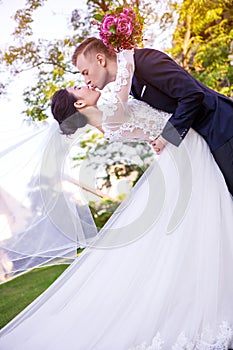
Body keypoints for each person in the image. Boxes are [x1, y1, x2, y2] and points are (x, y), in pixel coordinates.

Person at [0, 50, 233, 350]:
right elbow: (126, 69)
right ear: (80, 104)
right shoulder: (112, 110)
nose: (87, 84)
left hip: (185, 148)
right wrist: (124, 48)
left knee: (204, 226)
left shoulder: (108, 122)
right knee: (206, 224)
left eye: (83, 78)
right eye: (80, 86)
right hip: (185, 150)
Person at [72, 37, 233, 196]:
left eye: (85, 73)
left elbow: (192, 95)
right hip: (205, 141)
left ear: (100, 59)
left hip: (222, 127)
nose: (86, 81)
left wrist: (167, 137)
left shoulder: (146, 61)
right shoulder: (132, 84)